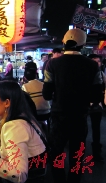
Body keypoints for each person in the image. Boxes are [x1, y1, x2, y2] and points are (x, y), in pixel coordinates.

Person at [43, 28, 103, 183]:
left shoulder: (51, 64)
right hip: (80, 116)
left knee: (57, 153)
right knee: (77, 154)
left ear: (64, 42)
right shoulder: (92, 65)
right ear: (82, 44)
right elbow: (97, 95)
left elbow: (46, 94)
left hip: (58, 116)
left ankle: (59, 180)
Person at [0, 81, 46, 183]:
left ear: (7, 103)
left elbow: (19, 174)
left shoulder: (15, 127)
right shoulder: (24, 117)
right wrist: (1, 148)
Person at [87, 54, 105, 162]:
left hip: (97, 105)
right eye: (94, 61)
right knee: (81, 128)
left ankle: (96, 151)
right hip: (84, 104)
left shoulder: (102, 74)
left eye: (98, 61)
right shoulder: (82, 74)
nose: (96, 64)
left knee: (96, 128)